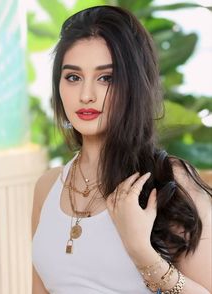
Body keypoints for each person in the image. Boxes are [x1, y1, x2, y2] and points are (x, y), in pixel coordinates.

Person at [32, 5, 212, 294]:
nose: (86, 95)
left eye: (107, 78)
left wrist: (141, 252)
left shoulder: (169, 182)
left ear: (133, 85)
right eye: (73, 77)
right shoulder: (47, 187)